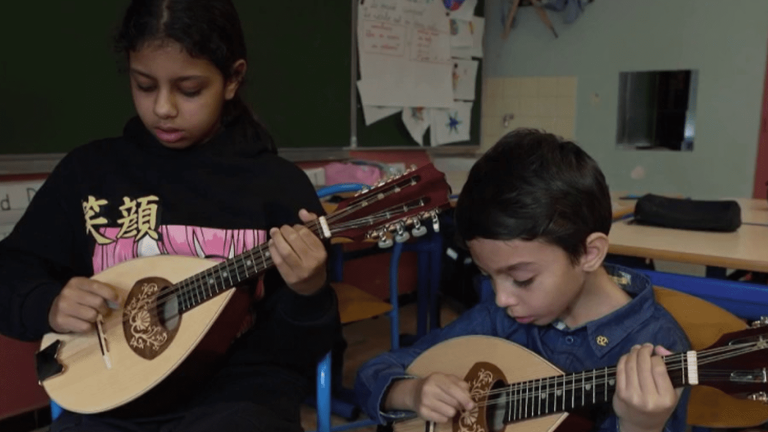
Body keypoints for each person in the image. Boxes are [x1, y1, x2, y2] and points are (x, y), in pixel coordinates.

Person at [0, 1, 340, 431]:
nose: (163, 108)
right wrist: (46, 303)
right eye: (144, 85)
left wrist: (308, 293)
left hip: (235, 400)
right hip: (112, 398)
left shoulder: (277, 187)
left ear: (233, 78)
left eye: (190, 89)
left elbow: (302, 352)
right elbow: (11, 269)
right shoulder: (89, 173)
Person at [355, 129, 691, 432]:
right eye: (488, 276)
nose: (501, 298)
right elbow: (376, 371)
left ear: (589, 254)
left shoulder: (659, 345)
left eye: (522, 279)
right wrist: (411, 392)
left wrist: (640, 425)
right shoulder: (499, 320)